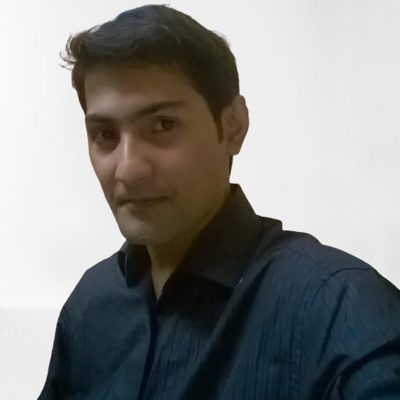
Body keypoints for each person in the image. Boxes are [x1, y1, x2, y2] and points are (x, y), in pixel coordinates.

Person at [39, 4, 400, 399]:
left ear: (233, 126)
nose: (128, 169)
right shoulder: (91, 305)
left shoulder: (338, 307)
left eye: (162, 125)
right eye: (105, 135)